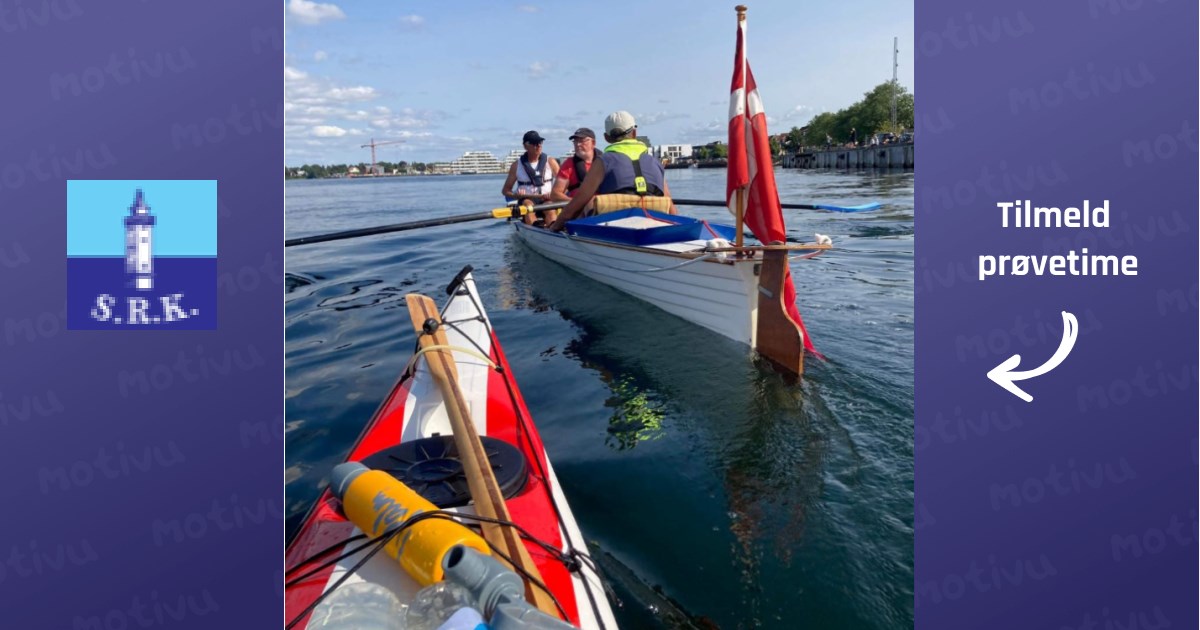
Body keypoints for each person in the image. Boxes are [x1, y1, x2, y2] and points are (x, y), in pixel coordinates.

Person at [548, 111, 675, 232]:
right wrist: (677, 226)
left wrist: (556, 227)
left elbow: (580, 200)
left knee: (589, 204)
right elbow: (669, 202)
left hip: (616, 225)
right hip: (655, 221)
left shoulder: (603, 161)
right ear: (635, 133)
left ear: (607, 138)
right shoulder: (656, 162)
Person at [501, 130, 560, 225]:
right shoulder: (516, 165)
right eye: (534, 143)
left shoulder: (551, 162)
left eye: (540, 142)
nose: (539, 145)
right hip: (526, 199)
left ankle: (553, 228)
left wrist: (555, 193)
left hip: (547, 199)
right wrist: (516, 195)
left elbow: (565, 184)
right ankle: (534, 228)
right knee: (528, 207)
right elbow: (505, 191)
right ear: (525, 146)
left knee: (550, 208)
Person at [550, 127, 602, 205]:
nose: (578, 144)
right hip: (579, 210)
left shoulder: (605, 162)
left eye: (582, 140)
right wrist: (576, 203)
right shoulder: (569, 164)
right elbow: (555, 195)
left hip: (602, 206)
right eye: (576, 141)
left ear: (593, 143)